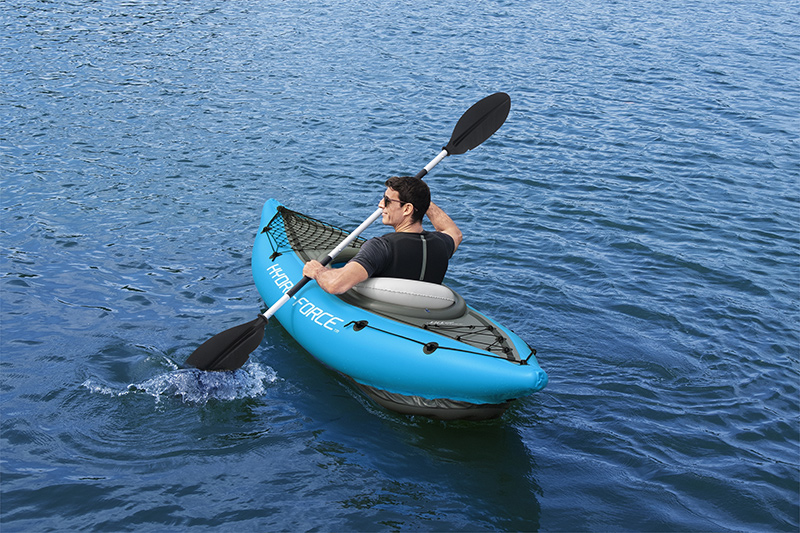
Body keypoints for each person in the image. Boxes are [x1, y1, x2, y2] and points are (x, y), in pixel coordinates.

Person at [302, 176, 462, 294]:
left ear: (407, 209)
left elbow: (335, 285)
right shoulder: (441, 244)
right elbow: (454, 233)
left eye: (387, 200)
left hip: (386, 316)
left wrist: (317, 271)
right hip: (425, 314)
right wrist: (421, 199)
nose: (380, 205)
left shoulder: (381, 247)